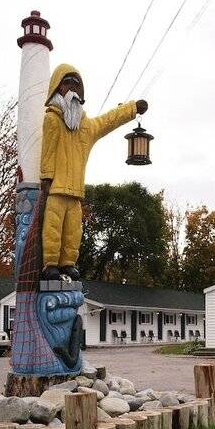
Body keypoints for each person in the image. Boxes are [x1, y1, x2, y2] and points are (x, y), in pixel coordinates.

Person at [39, 63, 148, 281]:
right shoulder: (52, 119)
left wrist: (132, 108)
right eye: (67, 82)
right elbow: (48, 151)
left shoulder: (86, 126)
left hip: (76, 191)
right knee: (53, 227)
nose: (72, 87)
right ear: (58, 86)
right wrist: (46, 178)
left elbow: (109, 119)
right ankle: (50, 264)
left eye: (76, 83)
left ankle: (68, 264)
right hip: (57, 188)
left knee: (73, 231)